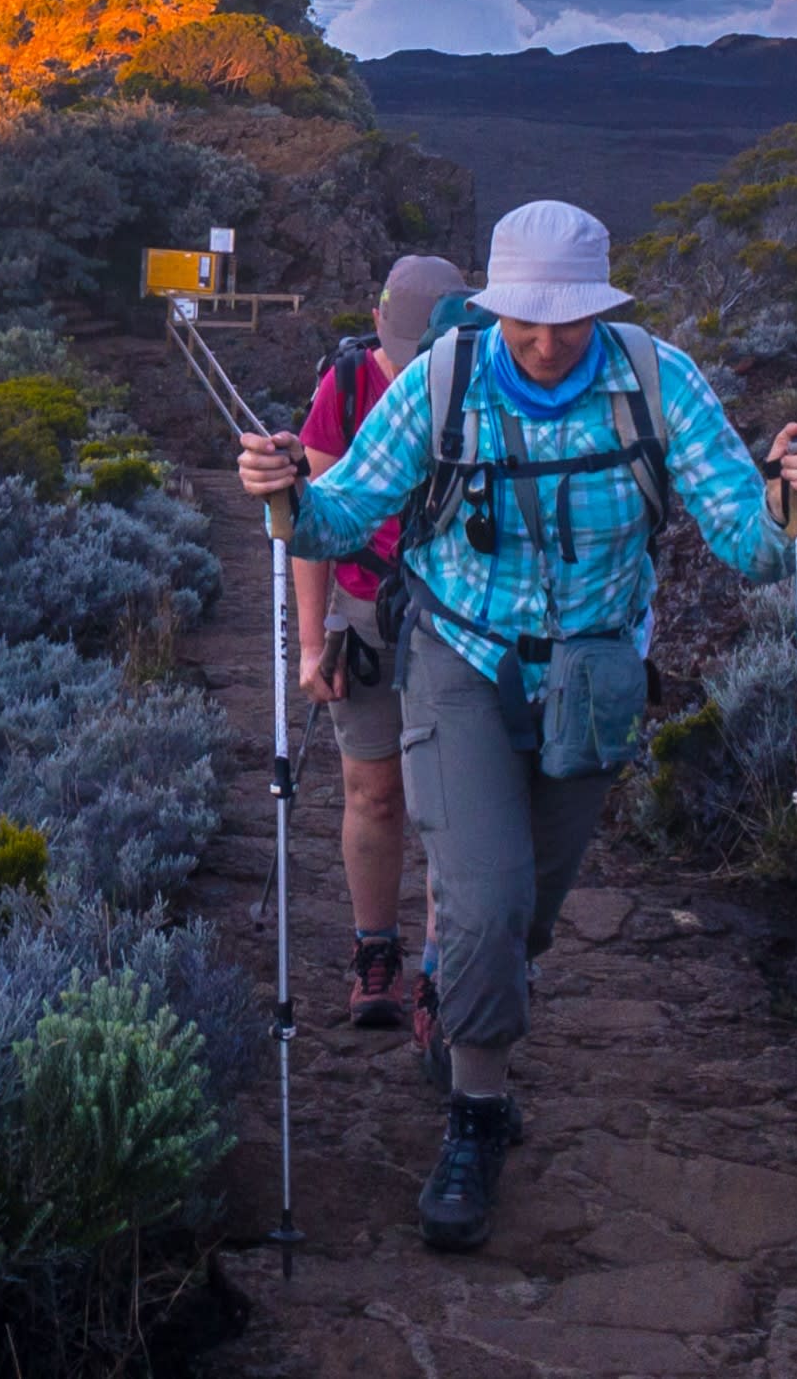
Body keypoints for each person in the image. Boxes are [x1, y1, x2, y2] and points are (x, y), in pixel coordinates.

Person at [239, 200, 797, 1253]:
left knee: (524, 920)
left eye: (570, 319)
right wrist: (287, 491)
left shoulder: (657, 382)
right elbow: (342, 517)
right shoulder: (442, 381)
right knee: (485, 900)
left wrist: (792, 497)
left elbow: (749, 541)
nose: (549, 340)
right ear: (495, 307)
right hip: (458, 662)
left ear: (604, 308)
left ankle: (467, 1001)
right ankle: (476, 1114)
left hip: (594, 677)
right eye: (528, 319)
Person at [295, 255, 467, 1060]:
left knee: (453, 804)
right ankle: (376, 953)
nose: (404, 362)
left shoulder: (481, 384)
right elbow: (313, 519)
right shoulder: (351, 385)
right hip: (364, 619)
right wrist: (310, 640)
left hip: (458, 620)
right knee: (373, 791)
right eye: (396, 342)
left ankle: (441, 970)